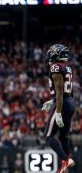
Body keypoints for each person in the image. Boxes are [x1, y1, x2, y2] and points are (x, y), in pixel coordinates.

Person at [42, 44, 75, 173]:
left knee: (48, 136)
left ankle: (66, 160)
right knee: (63, 137)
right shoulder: (67, 68)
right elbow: (65, 93)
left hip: (62, 104)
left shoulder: (56, 67)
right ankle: (64, 166)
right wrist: (52, 101)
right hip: (70, 102)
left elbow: (60, 91)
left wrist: (58, 111)